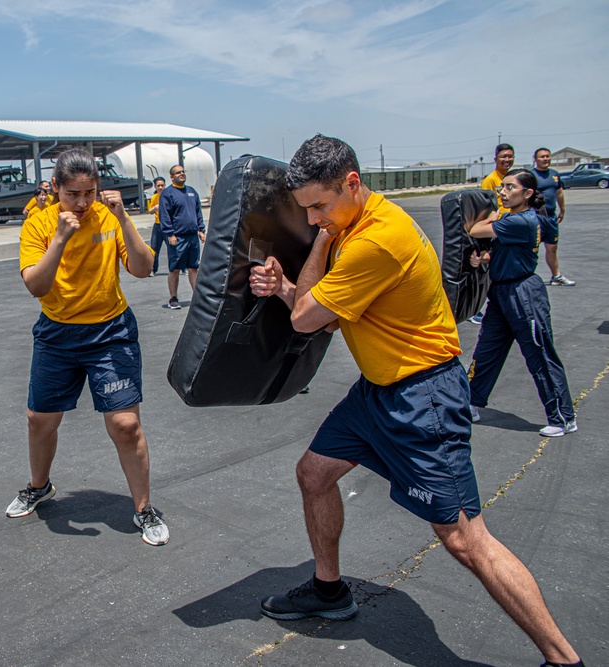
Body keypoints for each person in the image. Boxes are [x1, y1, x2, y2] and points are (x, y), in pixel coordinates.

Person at [249, 135, 582, 667]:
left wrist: (308, 266)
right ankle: (330, 591)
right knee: (314, 473)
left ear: (352, 183)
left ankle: (564, 659)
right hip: (377, 392)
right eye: (306, 208)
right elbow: (324, 310)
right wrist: (287, 285)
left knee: (465, 540)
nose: (313, 218)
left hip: (423, 398)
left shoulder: (375, 240)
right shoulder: (353, 223)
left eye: (320, 205)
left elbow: (306, 319)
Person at [8, 148, 169, 546]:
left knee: (125, 424)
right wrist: (61, 238)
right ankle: (39, 484)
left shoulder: (108, 219)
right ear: (56, 189)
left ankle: (144, 507)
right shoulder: (39, 225)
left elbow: (144, 268)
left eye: (90, 193)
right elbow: (36, 286)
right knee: (40, 419)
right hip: (57, 333)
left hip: (109, 333)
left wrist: (124, 218)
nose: (81, 203)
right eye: (73, 195)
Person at [466, 169, 577, 437]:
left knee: (539, 354)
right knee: (487, 351)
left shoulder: (521, 221)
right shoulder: (514, 220)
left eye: (510, 188)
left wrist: (492, 217)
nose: (503, 192)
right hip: (502, 293)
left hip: (523, 294)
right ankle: (471, 403)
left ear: (527, 193)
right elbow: (503, 251)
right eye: (502, 187)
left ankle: (562, 417)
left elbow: (474, 229)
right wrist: (484, 259)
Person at [470, 144, 517, 324]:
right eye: (503, 156)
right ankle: (476, 309)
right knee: (485, 267)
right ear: (495, 158)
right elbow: (483, 207)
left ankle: (497, 306)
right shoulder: (491, 180)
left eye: (510, 156)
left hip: (507, 230)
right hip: (495, 229)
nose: (507, 160)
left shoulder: (514, 178)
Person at [159, 164, 206, 310]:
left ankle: (197, 298)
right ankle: (173, 299)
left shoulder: (192, 192)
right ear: (172, 177)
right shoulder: (168, 194)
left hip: (192, 236)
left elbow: (198, 212)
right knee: (175, 269)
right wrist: (170, 234)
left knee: (193, 268)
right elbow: (165, 215)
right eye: (178, 172)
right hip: (177, 237)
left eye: (183, 171)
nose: (182, 174)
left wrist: (201, 229)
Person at [531, 148, 575, 286]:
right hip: (536, 217)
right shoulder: (531, 176)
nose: (545, 159)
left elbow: (559, 193)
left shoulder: (554, 174)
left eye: (547, 156)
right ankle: (528, 276)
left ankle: (556, 276)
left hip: (551, 217)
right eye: (542, 157)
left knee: (552, 248)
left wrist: (562, 209)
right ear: (535, 159)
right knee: (532, 248)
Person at [147, 177, 166, 276]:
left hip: (167, 225)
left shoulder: (168, 196)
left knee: (174, 247)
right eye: (158, 186)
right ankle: (153, 269)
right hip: (158, 225)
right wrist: (155, 208)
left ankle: (181, 267)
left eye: (162, 185)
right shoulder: (154, 197)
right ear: (155, 186)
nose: (160, 187)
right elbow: (150, 211)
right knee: (154, 247)